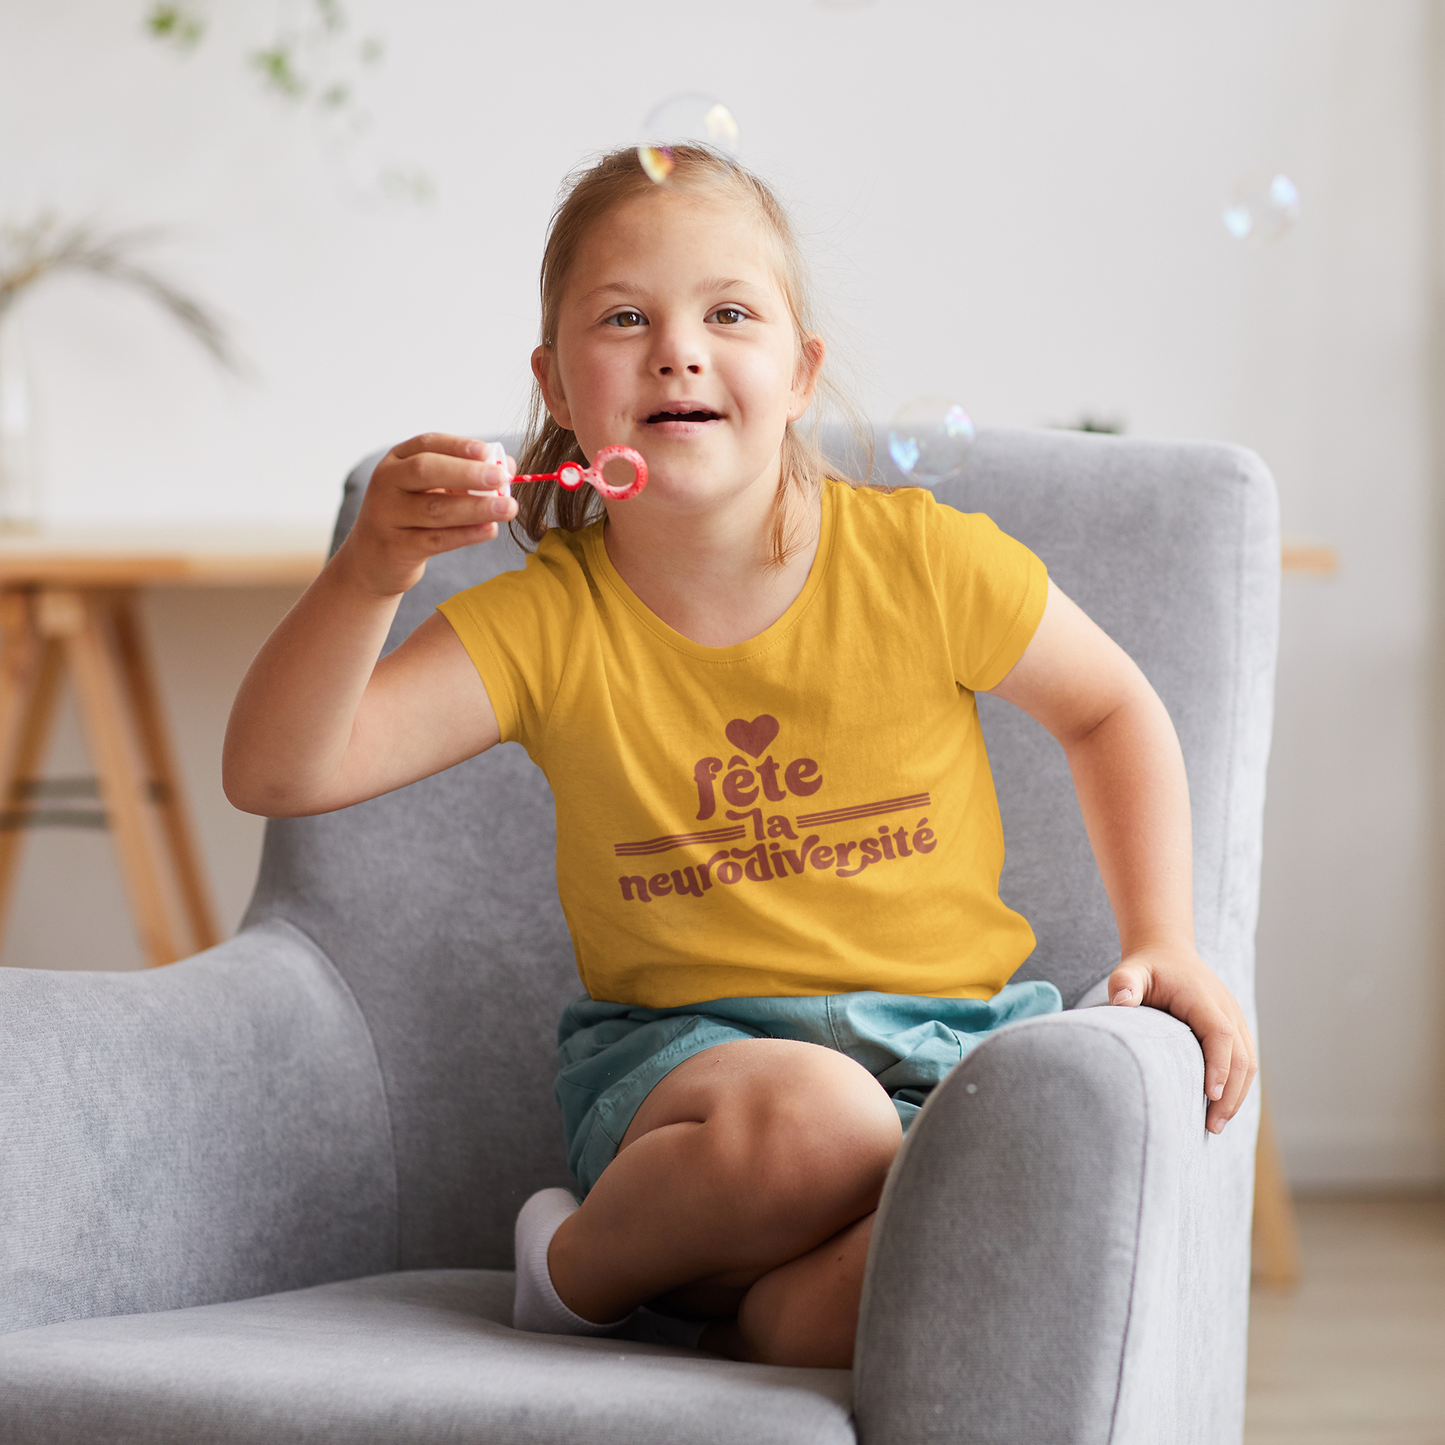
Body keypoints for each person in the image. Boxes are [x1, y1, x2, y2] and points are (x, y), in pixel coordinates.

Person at [223, 145, 1257, 1371]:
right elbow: (281, 771)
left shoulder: (925, 563)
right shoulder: (545, 621)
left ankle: (747, 1322)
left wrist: (1164, 936)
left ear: (800, 371)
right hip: (688, 1094)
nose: (677, 347)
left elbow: (1111, 710)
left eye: (727, 313)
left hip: (941, 1068)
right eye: (624, 317)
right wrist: (369, 575)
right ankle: (574, 1271)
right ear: (556, 385)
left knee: (958, 1243)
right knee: (821, 1117)